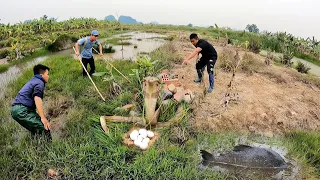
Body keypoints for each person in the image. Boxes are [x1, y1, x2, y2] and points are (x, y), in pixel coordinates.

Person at [11, 64, 51, 140]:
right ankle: (50, 148)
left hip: (19, 109)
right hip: (21, 110)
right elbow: (37, 98)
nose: (48, 76)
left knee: (36, 129)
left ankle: (38, 144)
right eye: (47, 74)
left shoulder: (34, 80)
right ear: (41, 75)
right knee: (44, 128)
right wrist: (43, 117)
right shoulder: (40, 82)